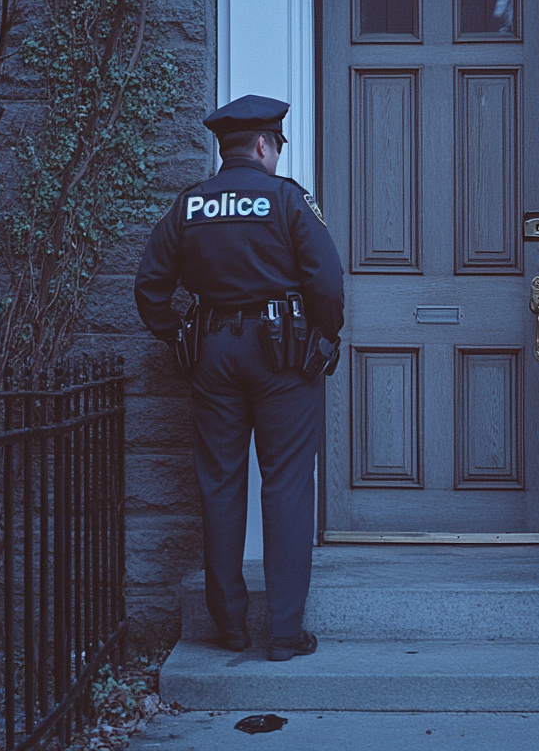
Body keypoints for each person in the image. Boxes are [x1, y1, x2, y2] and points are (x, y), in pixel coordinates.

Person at [134, 94, 344, 660]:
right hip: (283, 358)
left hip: (212, 353)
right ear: (262, 144)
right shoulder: (287, 199)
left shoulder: (190, 205)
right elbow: (326, 281)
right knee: (287, 486)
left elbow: (149, 286)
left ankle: (228, 626)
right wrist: (327, 339)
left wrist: (176, 333)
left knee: (220, 486)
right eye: (275, 145)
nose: (275, 155)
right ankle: (282, 632)